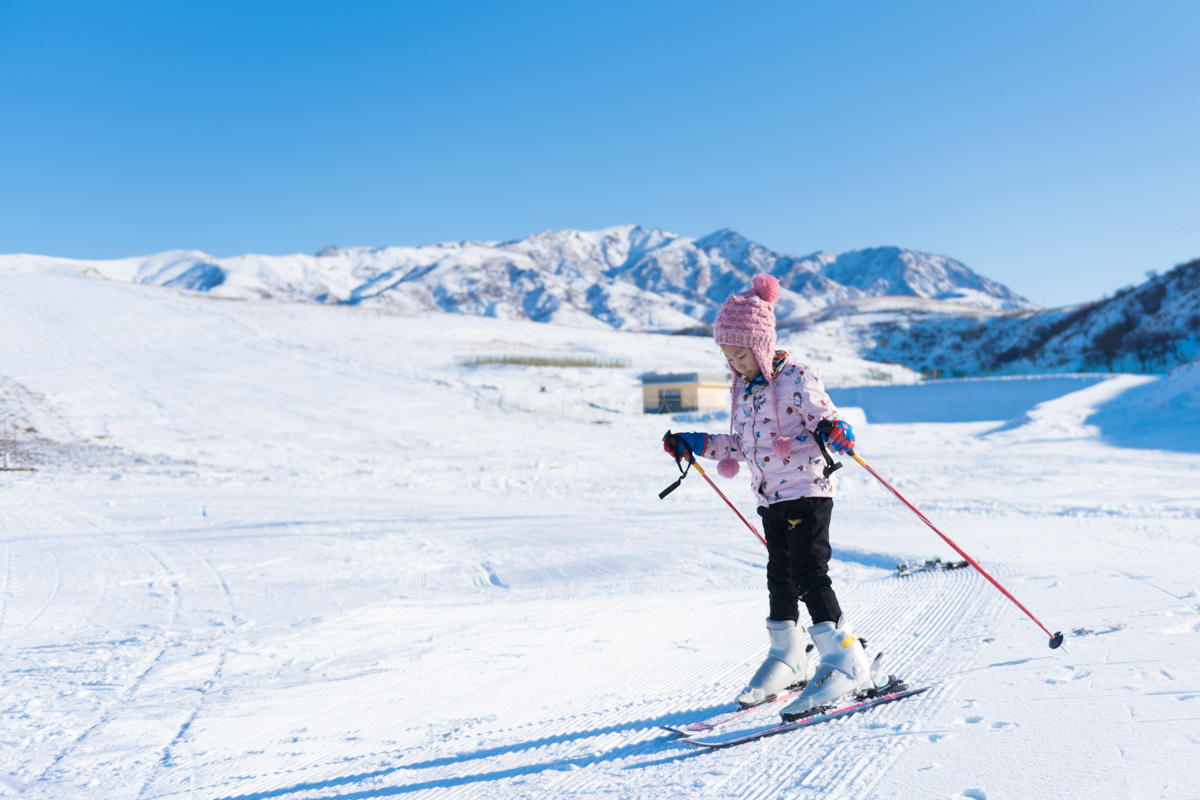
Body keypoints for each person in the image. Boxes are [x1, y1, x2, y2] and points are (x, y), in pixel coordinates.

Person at [663, 274, 886, 720]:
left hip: (808, 492)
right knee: (780, 578)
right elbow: (741, 447)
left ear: (762, 345)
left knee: (809, 573)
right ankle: (788, 655)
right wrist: (695, 441)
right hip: (771, 499)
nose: (736, 364)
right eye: (728, 357)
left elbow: (827, 418)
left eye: (741, 354)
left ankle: (847, 661)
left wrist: (833, 429)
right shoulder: (744, 392)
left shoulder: (798, 378)